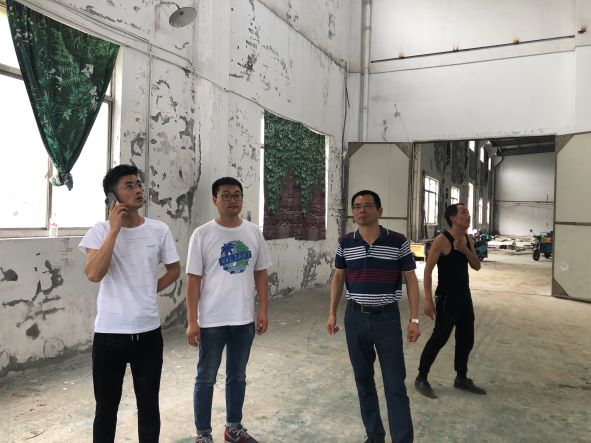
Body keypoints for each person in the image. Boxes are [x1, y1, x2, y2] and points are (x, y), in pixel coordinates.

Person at [79, 164, 181, 442]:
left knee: (148, 407)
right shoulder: (99, 232)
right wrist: (114, 231)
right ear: (112, 197)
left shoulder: (158, 230)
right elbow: (94, 274)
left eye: (139, 184)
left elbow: (174, 269)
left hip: (147, 333)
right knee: (106, 410)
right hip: (109, 334)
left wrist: (149, 288)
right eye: (129, 185)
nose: (138, 189)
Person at [327, 190, 420, 443]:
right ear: (352, 213)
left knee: (395, 385)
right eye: (357, 206)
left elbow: (411, 279)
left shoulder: (398, 241)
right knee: (364, 382)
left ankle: (402, 439)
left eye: (368, 205)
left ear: (379, 211)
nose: (362, 210)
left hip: (386, 319)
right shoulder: (346, 242)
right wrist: (332, 313)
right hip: (355, 318)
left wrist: (414, 319)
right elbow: (339, 277)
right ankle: (374, 435)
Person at [185, 177, 271, 443]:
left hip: (243, 320)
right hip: (211, 321)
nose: (232, 200)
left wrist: (263, 310)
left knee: (237, 376)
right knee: (206, 378)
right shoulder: (202, 234)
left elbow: (261, 273)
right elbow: (193, 280)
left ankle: (233, 429)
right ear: (215, 200)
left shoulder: (253, 232)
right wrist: (192, 320)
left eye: (237, 195)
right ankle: (203, 434)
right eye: (226, 195)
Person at [414, 203, 487, 399]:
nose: (468, 216)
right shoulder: (442, 240)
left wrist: (465, 250)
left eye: (468, 213)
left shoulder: (468, 239)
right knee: (439, 338)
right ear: (453, 218)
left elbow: (477, 266)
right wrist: (428, 300)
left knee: (466, 338)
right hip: (447, 297)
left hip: (464, 296)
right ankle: (421, 377)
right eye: (464, 213)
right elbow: (427, 271)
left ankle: (461, 378)